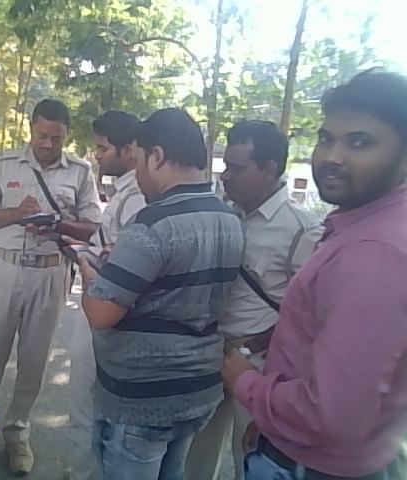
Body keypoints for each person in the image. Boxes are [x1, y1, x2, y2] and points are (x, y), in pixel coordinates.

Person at [222, 69, 407, 480]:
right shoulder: (363, 226)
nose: (332, 157)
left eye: (359, 142)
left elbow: (335, 413)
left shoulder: (373, 251)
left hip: (312, 462)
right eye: (326, 139)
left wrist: (249, 384)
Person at [0, 99, 102, 479]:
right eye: (42, 135)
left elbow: (94, 227)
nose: (49, 144)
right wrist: (15, 215)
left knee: (34, 363)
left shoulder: (79, 172)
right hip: (5, 270)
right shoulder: (4, 164)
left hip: (51, 273)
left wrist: (57, 223)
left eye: (57, 138)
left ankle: (17, 433)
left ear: (65, 136)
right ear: (31, 129)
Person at [75, 108, 245, 480]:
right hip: (197, 390)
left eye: (138, 161)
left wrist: (89, 272)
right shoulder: (230, 219)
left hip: (141, 399)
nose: (137, 174)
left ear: (156, 156)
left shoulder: (152, 222)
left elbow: (101, 313)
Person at [186, 121, 322, 480]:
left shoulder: (301, 230)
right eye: (225, 166)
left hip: (262, 366)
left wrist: (259, 348)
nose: (226, 176)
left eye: (237, 168)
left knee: (251, 458)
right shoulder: (224, 214)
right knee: (194, 459)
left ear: (269, 169)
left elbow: (313, 316)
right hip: (211, 355)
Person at [69, 110, 145, 480]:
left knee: (86, 403)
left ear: (129, 149)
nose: (97, 155)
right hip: (101, 305)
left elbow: (125, 264)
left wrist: (87, 261)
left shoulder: (137, 197)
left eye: (103, 148)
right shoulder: (126, 191)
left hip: (105, 310)